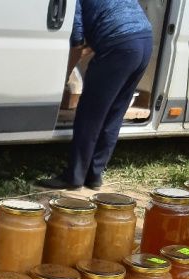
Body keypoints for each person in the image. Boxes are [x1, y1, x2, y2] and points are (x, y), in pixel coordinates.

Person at [38, 0, 153, 191]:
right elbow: (95, 36)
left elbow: (77, 42)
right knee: (114, 113)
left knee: (90, 114)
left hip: (119, 45)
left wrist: (64, 76)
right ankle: (94, 175)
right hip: (144, 41)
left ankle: (74, 177)